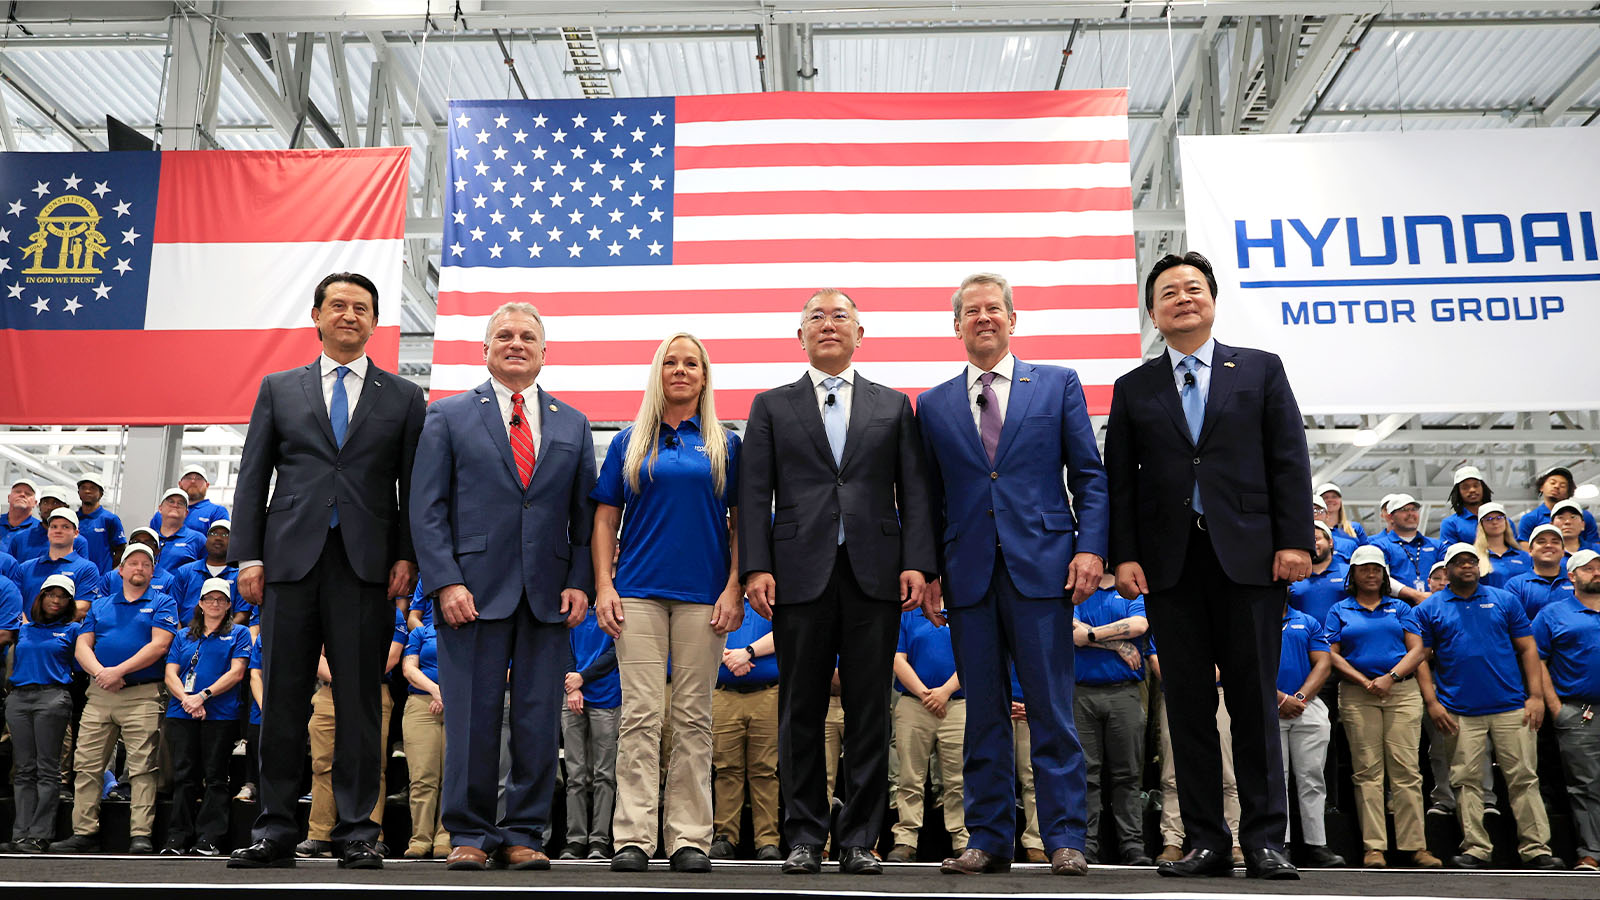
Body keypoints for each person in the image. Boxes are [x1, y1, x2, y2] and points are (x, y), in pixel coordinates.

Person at [1104, 251, 1311, 880]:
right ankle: (1204, 840)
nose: (1183, 298)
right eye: (1169, 292)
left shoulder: (1259, 370)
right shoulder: (1134, 387)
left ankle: (1267, 839)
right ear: (1153, 312)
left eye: (1194, 288)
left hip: (1250, 559)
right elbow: (1121, 485)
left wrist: (1294, 540)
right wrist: (1125, 556)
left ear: (1212, 300)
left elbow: (1288, 457)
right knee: (1188, 707)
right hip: (1170, 567)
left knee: (1253, 703)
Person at [229, 271, 426, 870]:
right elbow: (253, 475)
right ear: (316, 316)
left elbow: (412, 487)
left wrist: (407, 555)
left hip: (366, 567)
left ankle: (357, 832)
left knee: (361, 704)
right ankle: (276, 829)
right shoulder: (278, 388)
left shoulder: (403, 397)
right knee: (283, 699)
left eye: (361, 308)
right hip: (288, 563)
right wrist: (250, 555)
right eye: (338, 305)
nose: (349, 315)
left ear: (374, 321)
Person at [739, 288, 935, 876]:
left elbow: (916, 491)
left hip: (876, 574)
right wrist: (756, 566)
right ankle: (803, 835)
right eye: (816, 318)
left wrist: (918, 563)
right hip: (798, 575)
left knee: (870, 708)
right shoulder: (771, 405)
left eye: (840, 316)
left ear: (860, 333)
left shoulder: (894, 405)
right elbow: (753, 494)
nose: (828, 325)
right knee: (799, 708)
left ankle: (859, 839)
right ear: (799, 336)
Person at [916, 272, 1106, 878]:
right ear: (956, 326)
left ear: (1012, 319)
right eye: (971, 311)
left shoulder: (1056, 384)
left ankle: (1065, 839)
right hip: (967, 573)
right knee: (983, 713)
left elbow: (1090, 477)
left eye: (993, 309)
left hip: (1045, 568)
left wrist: (1090, 549)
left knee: (1051, 706)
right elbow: (928, 497)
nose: (983, 318)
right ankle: (989, 838)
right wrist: (929, 571)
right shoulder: (935, 403)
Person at [410, 301, 596, 872]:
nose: (516, 344)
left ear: (545, 352)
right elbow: (427, 507)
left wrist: (580, 582)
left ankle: (524, 832)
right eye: (504, 336)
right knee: (471, 717)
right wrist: (445, 581)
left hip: (547, 596)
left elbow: (584, 516)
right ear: (484, 350)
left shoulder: (573, 422)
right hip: (471, 593)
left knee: (540, 720)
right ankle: (468, 832)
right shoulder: (447, 416)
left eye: (528, 337)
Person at [592, 333, 743, 874]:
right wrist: (605, 587)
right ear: (658, 373)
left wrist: (734, 588)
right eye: (671, 363)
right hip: (637, 593)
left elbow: (740, 526)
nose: (680, 371)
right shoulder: (630, 441)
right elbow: (605, 520)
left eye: (691, 364)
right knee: (640, 716)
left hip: (704, 598)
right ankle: (633, 836)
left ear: (705, 376)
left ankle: (688, 838)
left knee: (694, 718)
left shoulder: (726, 444)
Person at [1412, 543, 1563, 870]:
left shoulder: (1505, 600)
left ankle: (1536, 849)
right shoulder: (1429, 608)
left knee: (1524, 777)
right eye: (1459, 562)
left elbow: (1528, 649)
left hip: (1510, 706)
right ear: (1446, 570)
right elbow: (1420, 659)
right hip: (1458, 710)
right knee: (1465, 781)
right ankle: (1476, 849)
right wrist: (1433, 703)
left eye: (1472, 561)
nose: (1467, 566)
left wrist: (1535, 696)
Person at [52, 544, 179, 854]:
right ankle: (84, 832)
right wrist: (101, 674)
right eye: (132, 563)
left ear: (152, 571)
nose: (138, 568)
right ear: (120, 570)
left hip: (143, 695)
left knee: (143, 769)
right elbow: (82, 646)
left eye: (145, 564)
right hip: (99, 694)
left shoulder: (163, 601)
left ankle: (140, 835)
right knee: (87, 766)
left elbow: (159, 646)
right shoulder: (100, 605)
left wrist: (117, 670)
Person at [1322, 546, 1439, 868]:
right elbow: (1330, 653)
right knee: (1367, 772)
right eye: (1364, 569)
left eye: (1376, 569)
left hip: (1401, 691)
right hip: (1358, 694)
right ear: (1353, 575)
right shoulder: (1339, 610)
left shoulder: (1400, 607)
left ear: (1385, 574)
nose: (1371, 574)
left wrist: (1391, 677)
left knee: (1406, 770)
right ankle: (1374, 847)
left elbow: (1417, 650)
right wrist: (1362, 680)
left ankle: (1416, 846)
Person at [296, 611, 407, 858]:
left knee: (371, 765)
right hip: (329, 692)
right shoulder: (328, 609)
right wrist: (345, 680)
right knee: (322, 764)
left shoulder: (392, 614)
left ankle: (370, 836)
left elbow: (391, 657)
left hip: (374, 691)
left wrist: (354, 681)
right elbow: (315, 654)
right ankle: (319, 835)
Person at [162, 577, 252, 856]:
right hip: (182, 712)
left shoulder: (239, 633)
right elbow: (170, 674)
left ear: (228, 605)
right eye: (210, 599)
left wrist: (204, 696)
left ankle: (209, 838)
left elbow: (237, 673)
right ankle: (177, 837)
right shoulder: (183, 635)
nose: (215, 604)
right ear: (200, 603)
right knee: (184, 776)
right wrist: (188, 699)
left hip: (220, 715)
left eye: (221, 600)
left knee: (215, 777)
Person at [1071, 574, 1150, 866]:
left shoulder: (1130, 591)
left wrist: (1091, 636)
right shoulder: (1079, 590)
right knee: (1085, 774)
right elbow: (1070, 631)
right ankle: (1086, 845)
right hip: (1082, 693)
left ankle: (1132, 846)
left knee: (1128, 775)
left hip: (1124, 692)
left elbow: (1140, 625)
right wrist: (1118, 644)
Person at [2, 574, 81, 853]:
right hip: (19, 699)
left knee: (47, 769)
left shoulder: (73, 630)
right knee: (23, 769)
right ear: (41, 597)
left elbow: (81, 666)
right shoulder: (22, 629)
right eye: (51, 594)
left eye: (62, 596)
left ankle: (39, 834)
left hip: (52, 697)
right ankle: (19, 833)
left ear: (69, 602)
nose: (56, 600)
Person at [1534, 548, 1600, 871]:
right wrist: (1555, 707)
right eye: (1588, 569)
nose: (1597, 573)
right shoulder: (1552, 613)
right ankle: (1592, 852)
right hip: (1578, 710)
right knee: (1585, 784)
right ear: (1571, 576)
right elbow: (1536, 661)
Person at [887, 606, 967, 863]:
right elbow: (898, 658)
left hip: (957, 703)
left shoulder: (962, 610)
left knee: (959, 780)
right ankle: (905, 839)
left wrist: (944, 691)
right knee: (909, 777)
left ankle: (963, 840)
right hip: (914, 704)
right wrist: (925, 694)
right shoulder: (907, 613)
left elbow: (974, 656)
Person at [709, 599, 781, 862]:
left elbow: (784, 630)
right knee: (726, 769)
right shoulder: (718, 595)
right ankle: (725, 837)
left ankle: (767, 840)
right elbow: (701, 631)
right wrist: (728, 656)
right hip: (724, 694)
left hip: (768, 693)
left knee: (765, 770)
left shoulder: (770, 596)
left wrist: (747, 652)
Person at [1275, 601, 1340, 868]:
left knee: (1312, 778)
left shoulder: (1307, 620)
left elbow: (1323, 664)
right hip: (1265, 706)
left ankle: (1317, 844)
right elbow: (1246, 666)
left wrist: (1298, 698)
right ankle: (1279, 845)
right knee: (1275, 780)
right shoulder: (1253, 621)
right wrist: (1279, 699)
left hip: (1307, 706)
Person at [559, 604, 620, 861]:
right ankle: (575, 839)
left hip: (606, 694)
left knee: (604, 774)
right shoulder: (574, 602)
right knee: (575, 773)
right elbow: (562, 645)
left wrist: (582, 678)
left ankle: (599, 840)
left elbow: (617, 651)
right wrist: (573, 686)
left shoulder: (617, 601)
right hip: (571, 692)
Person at [401, 618, 451, 859]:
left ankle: (446, 837)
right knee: (422, 776)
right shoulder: (421, 632)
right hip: (421, 704)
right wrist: (436, 691)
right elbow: (409, 668)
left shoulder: (468, 632)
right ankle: (420, 838)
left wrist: (449, 694)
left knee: (452, 776)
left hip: (458, 704)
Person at [15, 508, 103, 616]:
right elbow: (15, 602)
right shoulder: (25, 568)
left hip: (65, 632)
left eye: (65, 527)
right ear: (48, 532)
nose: (58, 531)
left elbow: (82, 607)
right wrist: (27, 628)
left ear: (76, 533)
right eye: (54, 527)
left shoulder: (87, 569)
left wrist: (46, 626)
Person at [1371, 495, 1444, 594]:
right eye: (1403, 510)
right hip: (1397, 606)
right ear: (1391, 517)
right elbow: (1383, 578)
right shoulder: (1379, 546)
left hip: (1433, 604)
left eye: (1414, 509)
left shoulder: (1437, 545)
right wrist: (1416, 596)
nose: (1410, 514)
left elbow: (1448, 575)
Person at [172, 520, 238, 623]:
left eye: (225, 535)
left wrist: (221, 633)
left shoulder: (239, 575)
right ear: (206, 539)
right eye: (213, 533)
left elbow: (243, 613)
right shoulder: (185, 571)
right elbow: (173, 610)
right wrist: (183, 636)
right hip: (186, 634)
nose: (218, 538)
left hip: (227, 636)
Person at [1505, 525, 1576, 620]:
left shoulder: (1577, 581)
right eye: (1541, 542)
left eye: (1555, 542)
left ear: (1563, 551)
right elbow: (1516, 625)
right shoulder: (1516, 585)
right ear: (1530, 550)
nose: (1548, 545)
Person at [4, 486, 90, 563]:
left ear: (65, 507)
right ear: (39, 506)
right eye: (45, 503)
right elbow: (11, 571)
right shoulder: (21, 539)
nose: (49, 507)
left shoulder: (78, 541)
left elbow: (82, 572)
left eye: (55, 503)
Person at [1517, 465, 1600, 544]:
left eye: (1563, 485)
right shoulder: (1530, 519)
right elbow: (1525, 549)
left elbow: (1594, 545)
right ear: (1541, 487)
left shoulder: (1584, 516)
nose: (1556, 486)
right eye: (1552, 483)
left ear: (1568, 492)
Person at [1290, 523, 1349, 627]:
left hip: (1341, 640)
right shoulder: (1292, 574)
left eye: (1316, 538)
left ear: (1330, 542)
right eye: (1307, 540)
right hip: (1303, 640)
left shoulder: (1348, 571)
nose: (1312, 544)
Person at [148, 465, 229, 534]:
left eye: (198, 478)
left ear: (207, 485)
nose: (193, 481)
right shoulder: (162, 513)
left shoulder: (217, 512)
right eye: (188, 478)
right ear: (179, 484)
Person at [76, 476, 125, 574]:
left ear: (101, 494)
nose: (87, 491)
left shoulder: (110, 519)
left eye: (92, 488)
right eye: (83, 488)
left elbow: (120, 549)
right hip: (75, 575)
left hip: (100, 578)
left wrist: (106, 569)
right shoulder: (72, 518)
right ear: (78, 493)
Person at [151, 488, 207, 575]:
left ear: (186, 513)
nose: (175, 505)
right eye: (171, 501)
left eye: (180, 503)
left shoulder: (198, 539)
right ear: (160, 508)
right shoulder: (149, 537)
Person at [1439, 466, 1492, 546]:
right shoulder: (1451, 524)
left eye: (1476, 485)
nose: (1472, 490)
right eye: (1465, 487)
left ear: (1483, 487)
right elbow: (1449, 555)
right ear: (1458, 492)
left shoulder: (1502, 520)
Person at [1316, 483, 1367, 560]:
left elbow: (1366, 554)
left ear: (1340, 501)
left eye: (1334, 496)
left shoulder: (1354, 528)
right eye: (1325, 497)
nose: (1330, 500)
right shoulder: (1312, 531)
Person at [1, 478, 41, 547]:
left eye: (28, 494)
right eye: (18, 491)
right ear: (9, 498)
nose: (22, 495)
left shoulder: (40, 530)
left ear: (35, 503)